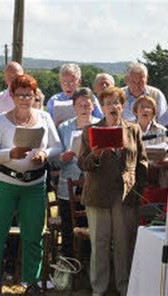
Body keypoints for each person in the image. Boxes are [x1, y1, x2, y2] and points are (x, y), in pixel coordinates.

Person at [0, 74, 62, 294]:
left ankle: (31, 281)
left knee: (34, 235)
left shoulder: (44, 118)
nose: (25, 98)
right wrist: (10, 153)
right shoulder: (0, 121)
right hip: (4, 183)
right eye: (20, 94)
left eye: (29, 94)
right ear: (12, 96)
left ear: (35, 96)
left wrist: (45, 153)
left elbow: (58, 147)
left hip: (34, 185)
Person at [78, 87, 147, 296]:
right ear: (102, 107)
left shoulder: (133, 129)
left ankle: (124, 288)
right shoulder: (89, 131)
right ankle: (99, 290)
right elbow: (82, 164)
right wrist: (96, 155)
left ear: (123, 106)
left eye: (116, 102)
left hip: (125, 196)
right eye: (108, 103)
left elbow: (142, 161)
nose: (112, 107)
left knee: (124, 245)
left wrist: (138, 188)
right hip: (98, 195)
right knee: (99, 244)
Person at [56, 87, 99, 257]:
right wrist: (62, 157)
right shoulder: (64, 127)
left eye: (87, 105)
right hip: (68, 184)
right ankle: (68, 265)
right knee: (68, 228)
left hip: (93, 183)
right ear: (74, 107)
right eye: (80, 105)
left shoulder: (99, 126)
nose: (84, 109)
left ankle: (87, 266)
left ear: (93, 107)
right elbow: (54, 156)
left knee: (91, 226)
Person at [121, 62, 168, 126]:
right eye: (133, 82)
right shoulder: (119, 95)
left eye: (141, 82)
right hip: (124, 134)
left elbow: (164, 121)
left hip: (150, 134)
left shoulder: (156, 94)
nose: (137, 86)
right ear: (126, 80)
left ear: (146, 79)